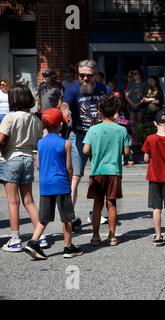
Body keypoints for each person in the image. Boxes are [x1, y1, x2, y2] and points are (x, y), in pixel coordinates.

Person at [24, 108, 83, 260]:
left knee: (44, 217)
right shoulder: (66, 143)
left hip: (45, 184)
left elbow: (38, 165)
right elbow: (69, 168)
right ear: (61, 125)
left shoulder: (40, 143)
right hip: (60, 183)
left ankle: (33, 241)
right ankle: (68, 247)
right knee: (67, 218)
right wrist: (69, 182)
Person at [61, 59, 112, 227]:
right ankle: (70, 216)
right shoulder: (73, 88)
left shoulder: (104, 90)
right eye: (81, 75)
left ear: (95, 75)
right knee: (75, 176)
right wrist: (65, 109)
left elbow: (113, 110)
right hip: (79, 135)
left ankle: (100, 213)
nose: (84, 78)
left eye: (88, 76)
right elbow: (65, 103)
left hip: (100, 138)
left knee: (102, 176)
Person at [0, 85, 46, 252]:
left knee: (13, 201)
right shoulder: (36, 119)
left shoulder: (10, 117)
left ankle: (15, 239)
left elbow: (1, 139)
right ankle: (40, 236)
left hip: (11, 158)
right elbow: (38, 140)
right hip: (28, 158)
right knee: (29, 200)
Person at [82, 94, 131, 246]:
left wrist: (94, 152)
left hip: (97, 171)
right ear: (116, 110)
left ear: (100, 112)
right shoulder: (121, 130)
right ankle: (112, 236)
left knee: (97, 204)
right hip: (114, 171)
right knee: (112, 203)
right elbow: (127, 152)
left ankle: (96, 236)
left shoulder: (93, 130)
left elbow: (85, 150)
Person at [142, 109, 165, 247]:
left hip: (154, 177)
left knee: (156, 208)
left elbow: (146, 158)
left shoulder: (150, 139)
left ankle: (158, 237)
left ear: (155, 123)